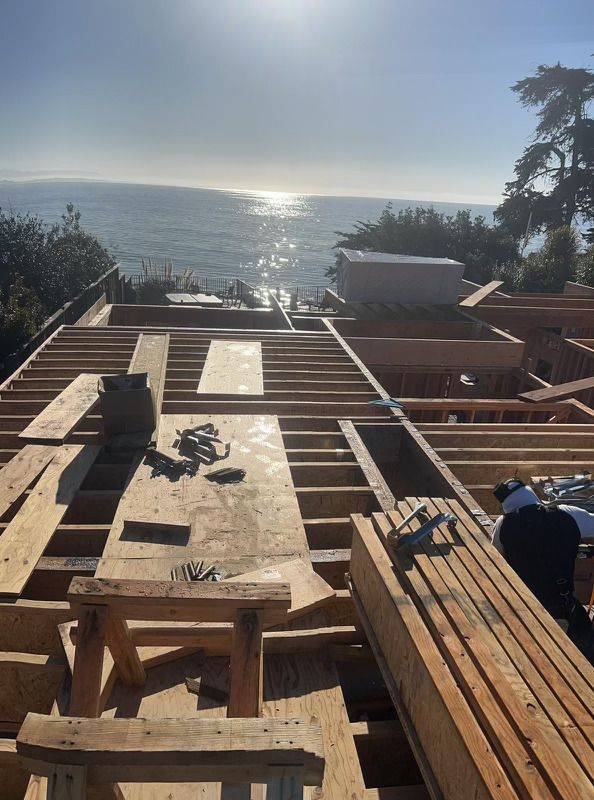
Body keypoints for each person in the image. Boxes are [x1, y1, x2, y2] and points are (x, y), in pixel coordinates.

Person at [492, 477, 594, 664]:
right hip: (564, 608)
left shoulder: (503, 525)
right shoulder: (567, 513)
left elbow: (495, 562)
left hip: (525, 612)